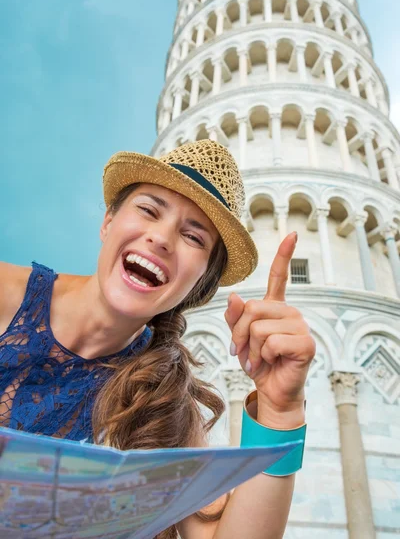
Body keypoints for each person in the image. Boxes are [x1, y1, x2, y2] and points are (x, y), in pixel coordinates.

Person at [0, 139, 315, 539]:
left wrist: (280, 412)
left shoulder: (163, 400)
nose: (162, 239)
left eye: (194, 237)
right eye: (148, 210)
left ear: (200, 283)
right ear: (108, 221)